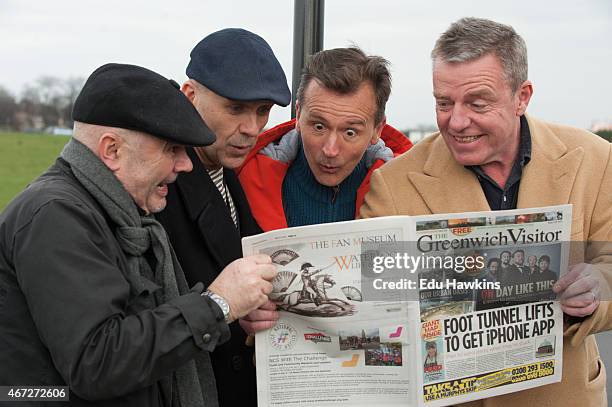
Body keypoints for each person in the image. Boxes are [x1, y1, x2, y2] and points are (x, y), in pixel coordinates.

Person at [360, 17, 611, 406]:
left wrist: (597, 289)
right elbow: (371, 301)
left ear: (522, 97)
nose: (456, 122)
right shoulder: (394, 182)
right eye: (443, 103)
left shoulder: (596, 158)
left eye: (477, 104)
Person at [0, 64, 277, 406]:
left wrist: (229, 311)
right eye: (170, 149)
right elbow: (97, 362)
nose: (185, 164)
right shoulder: (55, 215)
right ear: (112, 150)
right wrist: (216, 304)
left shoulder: (120, 212)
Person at [155, 28, 290, 406]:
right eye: (235, 108)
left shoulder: (228, 171)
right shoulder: (159, 186)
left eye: (263, 111)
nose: (251, 128)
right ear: (190, 96)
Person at [238, 46, 412, 232]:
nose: (330, 150)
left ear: (377, 130)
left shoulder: (407, 190)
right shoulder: (241, 180)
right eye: (319, 127)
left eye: (350, 132)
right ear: (298, 114)